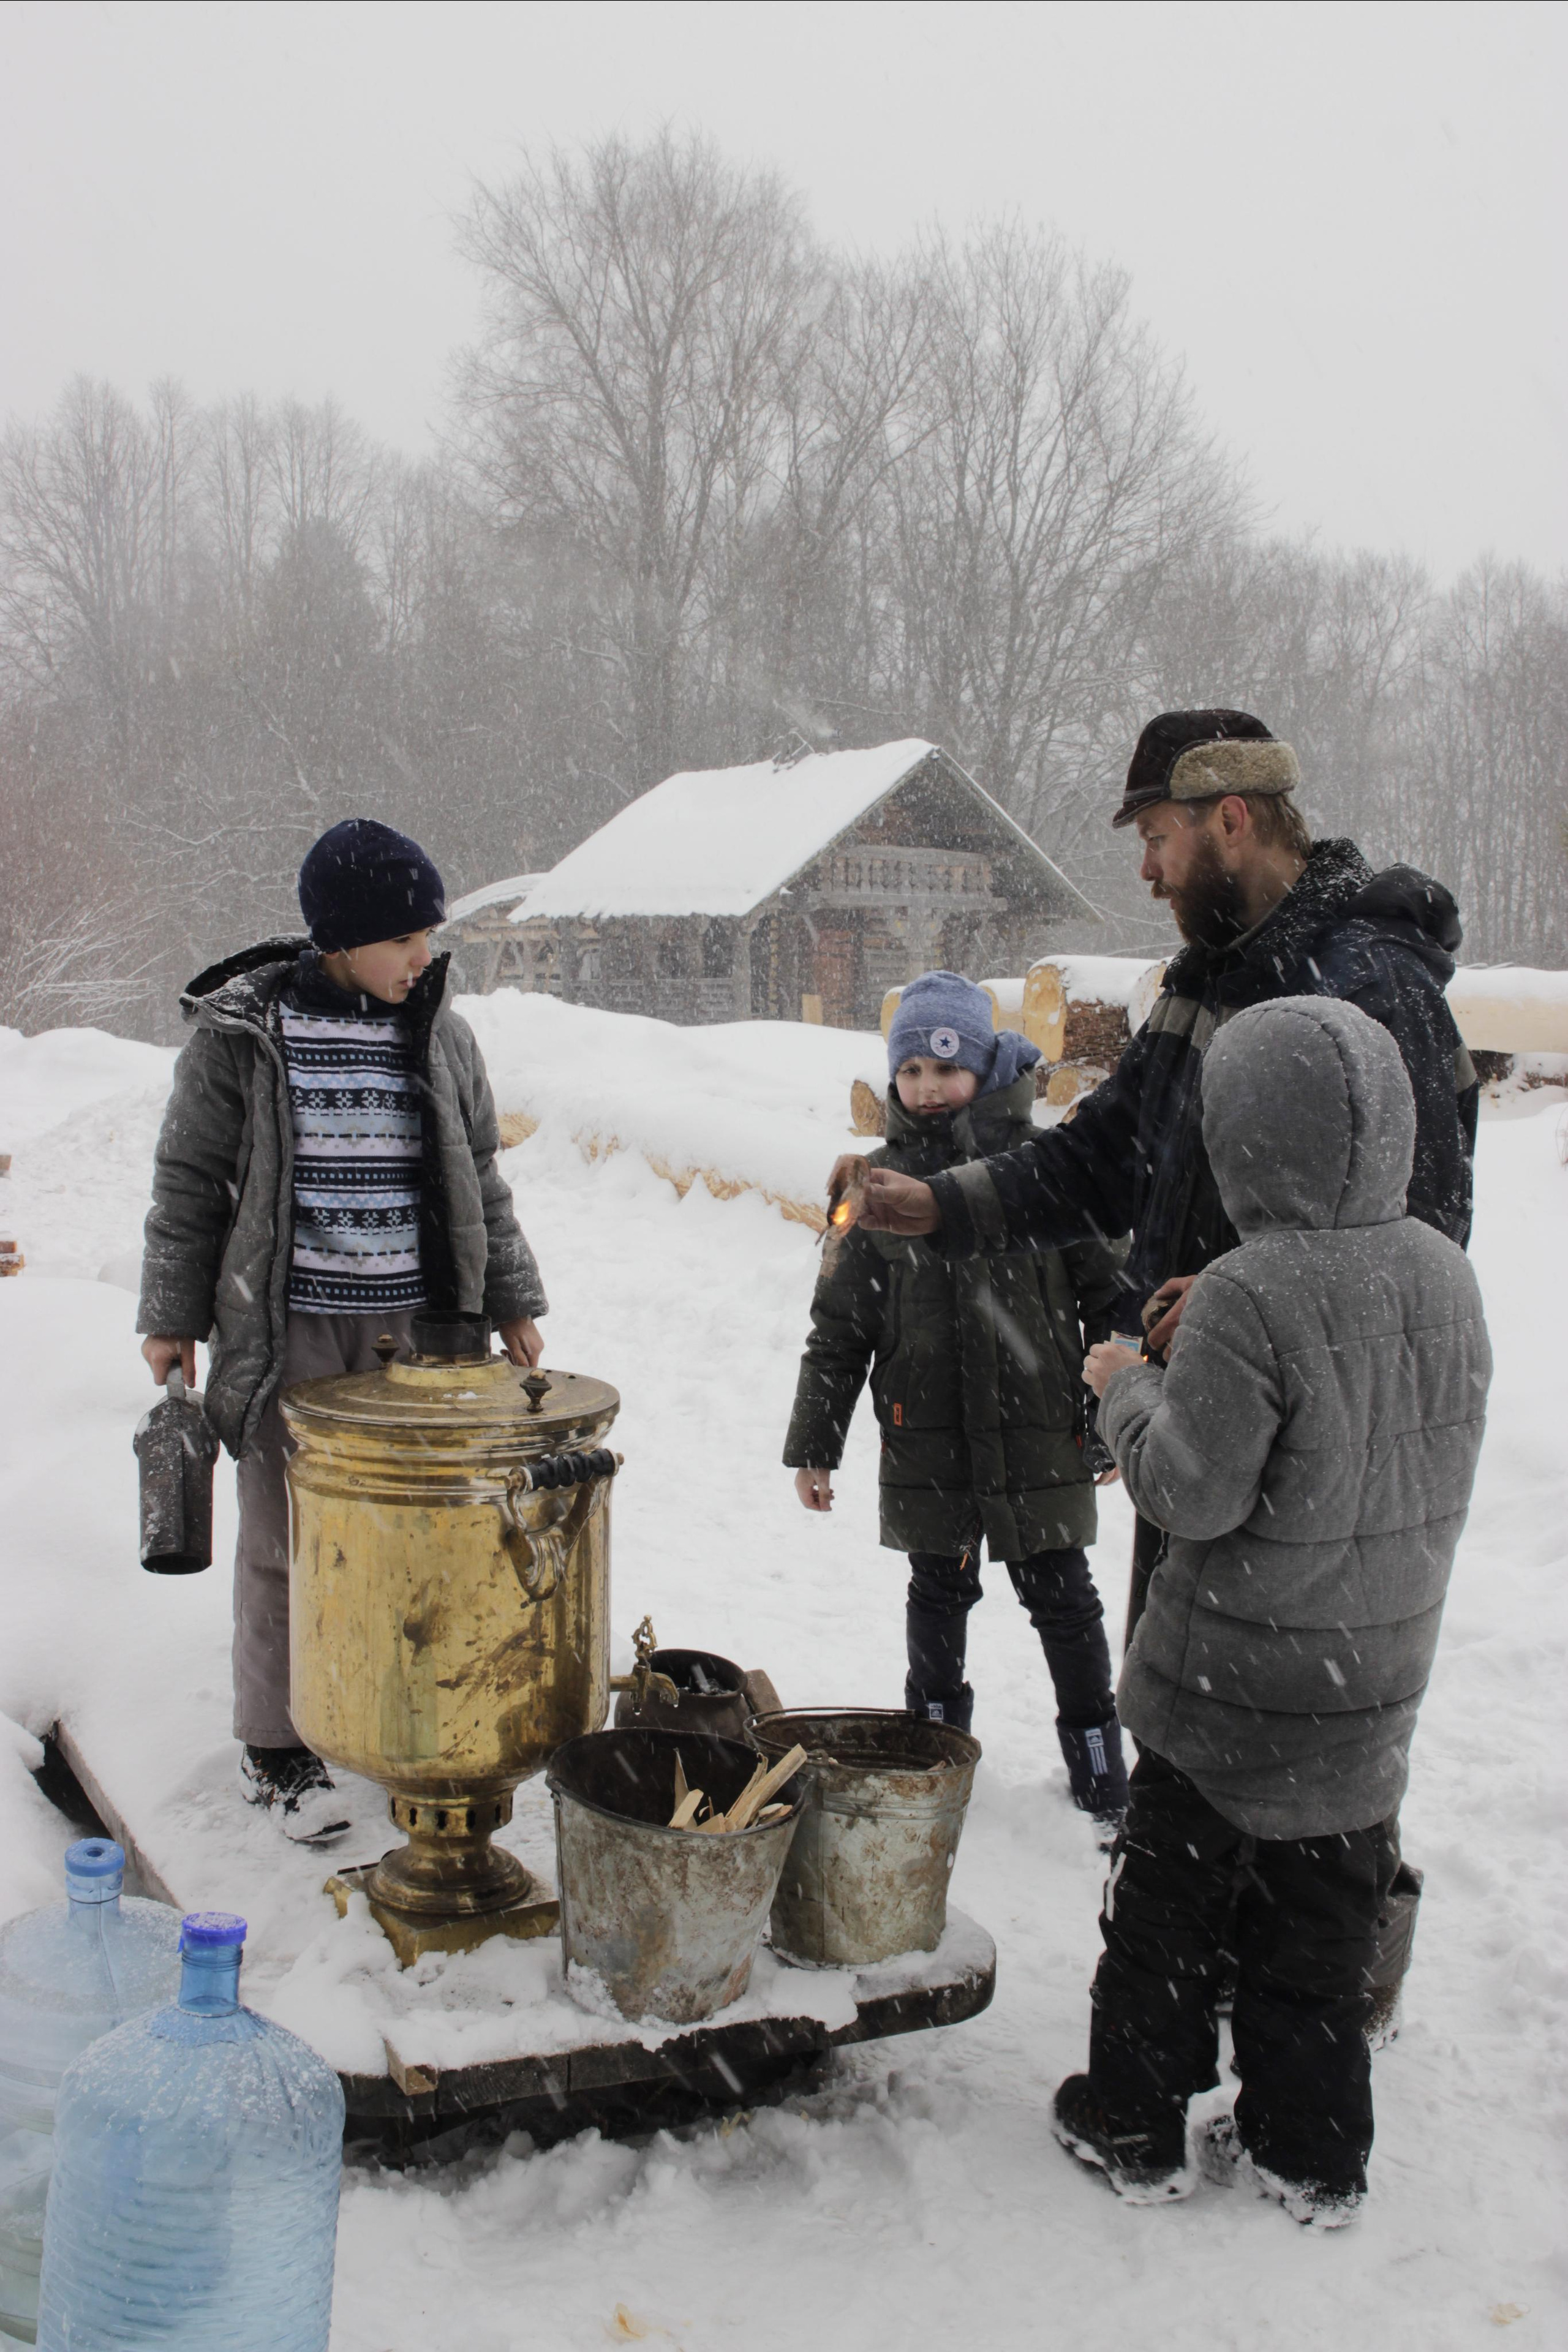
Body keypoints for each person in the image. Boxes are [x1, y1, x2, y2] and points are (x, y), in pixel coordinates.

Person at [841, 709, 1479, 1643]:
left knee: (1251, 1752)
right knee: (1178, 1716)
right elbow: (1099, 1157)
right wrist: (939, 1203)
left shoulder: (1369, 993)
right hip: (1194, 1430)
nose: (1145, 872)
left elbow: (1417, 1253)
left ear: (1229, 819)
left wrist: (1236, 1301)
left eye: (1154, 838)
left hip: (1317, 1475)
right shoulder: (1207, 983)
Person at [1052, 997, 1490, 2226]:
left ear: (1241, 1138)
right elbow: (1362, 1404)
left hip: (1230, 1694)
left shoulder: (1252, 1293)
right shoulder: (1440, 1274)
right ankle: (1310, 2152)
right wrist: (1234, 1319)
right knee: (1314, 1945)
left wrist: (1127, 1387)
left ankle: (1132, 2122)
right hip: (1368, 1683)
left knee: (1166, 1925)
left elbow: (1191, 1492)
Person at [137, 818, 547, 1844]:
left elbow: (480, 1181)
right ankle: (278, 1748)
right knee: (286, 1539)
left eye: (427, 938)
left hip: (421, 1336)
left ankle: (383, 1713)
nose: (425, 957)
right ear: (344, 939)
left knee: (416, 1539)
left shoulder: (442, 1034)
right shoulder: (243, 1038)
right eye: (406, 939)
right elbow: (188, 1184)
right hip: (293, 1332)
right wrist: (172, 1316)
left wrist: (512, 1297)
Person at [783, 971, 1131, 1831]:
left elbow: (1110, 1302)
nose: (929, 1090)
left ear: (985, 1066)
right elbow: (839, 1330)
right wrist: (814, 1443)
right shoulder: (875, 1189)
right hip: (926, 1437)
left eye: (947, 1070)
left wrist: (1111, 1421)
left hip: (1041, 1433)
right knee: (937, 1597)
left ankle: (1098, 1762)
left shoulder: (1042, 1171)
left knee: (1065, 1598)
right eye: (911, 1074)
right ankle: (934, 1755)